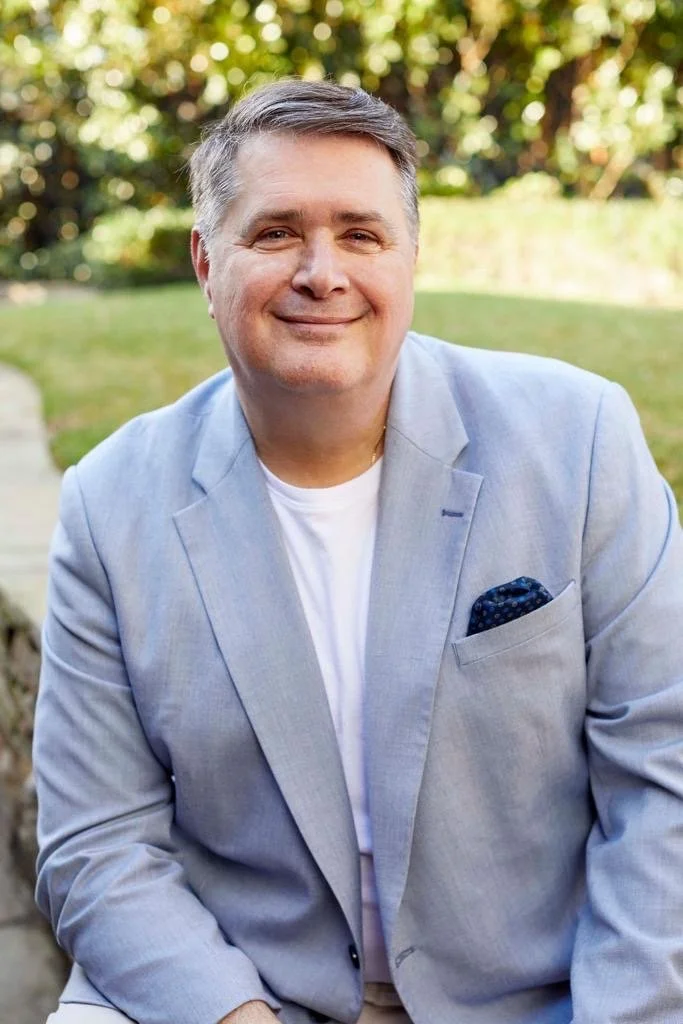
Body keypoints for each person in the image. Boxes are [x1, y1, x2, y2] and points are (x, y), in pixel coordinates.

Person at [34, 78, 683, 1024]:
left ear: (410, 260)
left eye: (361, 234)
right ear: (206, 264)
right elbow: (95, 842)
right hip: (245, 990)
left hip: (546, 991)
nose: (321, 271)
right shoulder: (108, 502)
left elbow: (663, 768)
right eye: (275, 233)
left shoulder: (577, 440)